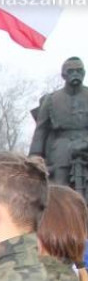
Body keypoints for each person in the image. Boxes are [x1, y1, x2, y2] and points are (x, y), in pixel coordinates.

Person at [30, 56, 88, 190]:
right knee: (58, 184)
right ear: (64, 75)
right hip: (61, 147)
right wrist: (35, 156)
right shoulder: (51, 100)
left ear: (84, 73)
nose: (75, 74)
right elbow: (41, 130)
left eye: (79, 71)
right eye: (71, 71)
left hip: (86, 142)